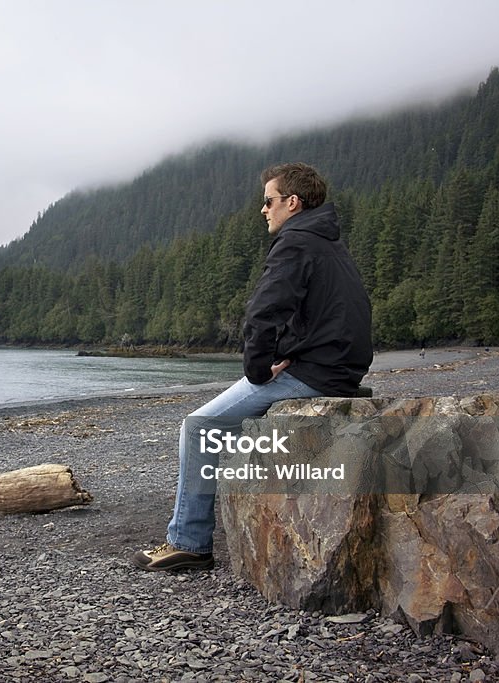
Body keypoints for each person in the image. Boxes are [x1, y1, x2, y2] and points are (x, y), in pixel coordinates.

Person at [132, 162, 372, 571]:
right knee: (229, 432)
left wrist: (259, 369)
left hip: (314, 374)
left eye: (269, 201)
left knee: (199, 427)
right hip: (340, 369)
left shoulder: (296, 242)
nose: (263, 209)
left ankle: (188, 542)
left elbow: (264, 312)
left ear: (292, 203)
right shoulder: (327, 241)